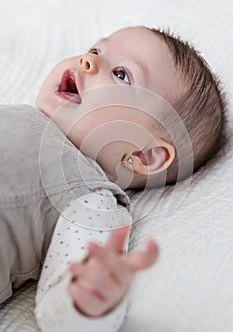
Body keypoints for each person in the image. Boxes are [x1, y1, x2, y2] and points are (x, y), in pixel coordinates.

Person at [0, 26, 225, 332]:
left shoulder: (92, 199)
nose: (87, 62)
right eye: (95, 50)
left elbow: (64, 312)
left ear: (145, 156)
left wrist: (90, 298)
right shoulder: (19, 115)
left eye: (121, 74)